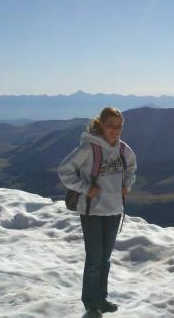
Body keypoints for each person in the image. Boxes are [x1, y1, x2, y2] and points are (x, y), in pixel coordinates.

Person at [58, 107, 136, 318]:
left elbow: (131, 168)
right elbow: (64, 170)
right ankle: (91, 304)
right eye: (111, 126)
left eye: (119, 126)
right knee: (94, 258)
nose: (116, 130)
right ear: (101, 124)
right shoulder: (89, 148)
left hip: (114, 210)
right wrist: (85, 188)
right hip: (92, 211)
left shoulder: (122, 149)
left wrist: (126, 185)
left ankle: (101, 299)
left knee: (105, 258)